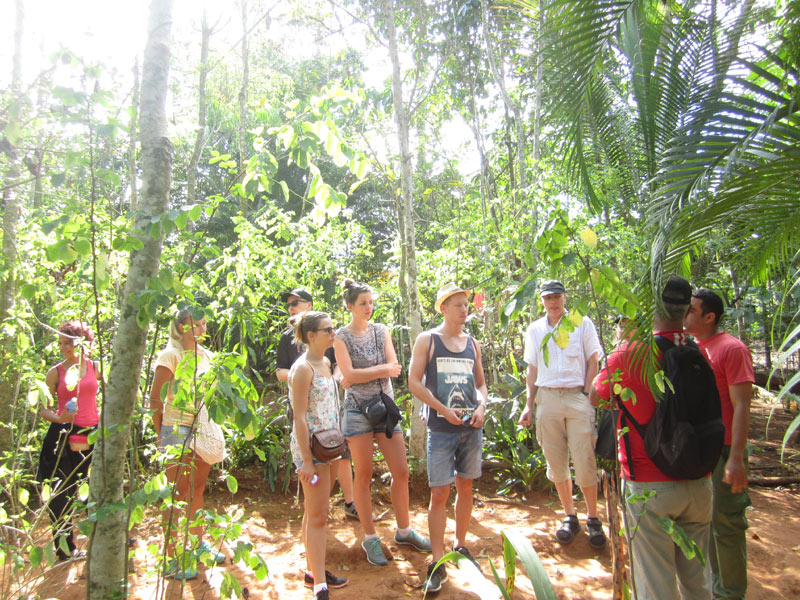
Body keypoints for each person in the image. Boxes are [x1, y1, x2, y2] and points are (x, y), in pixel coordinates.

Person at [591, 275, 713, 599]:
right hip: (700, 482)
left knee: (656, 585)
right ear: (687, 310)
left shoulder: (628, 355)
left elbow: (596, 396)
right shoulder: (701, 354)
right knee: (698, 581)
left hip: (648, 487)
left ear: (649, 307)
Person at [333, 278, 430, 566]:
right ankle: (370, 538)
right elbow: (347, 377)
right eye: (363, 303)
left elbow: (395, 368)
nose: (369, 307)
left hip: (385, 409)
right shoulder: (341, 336)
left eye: (371, 302)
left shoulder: (381, 330)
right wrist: (381, 369)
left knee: (401, 472)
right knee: (362, 475)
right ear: (350, 306)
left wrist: (373, 371)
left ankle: (404, 531)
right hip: (356, 412)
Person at [408, 283, 488, 593]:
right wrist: (442, 409)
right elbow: (414, 382)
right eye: (457, 305)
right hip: (441, 429)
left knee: (466, 486)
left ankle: (461, 546)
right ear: (443, 308)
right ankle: (438, 561)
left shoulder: (472, 344)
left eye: (466, 305)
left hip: (470, 428)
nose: (464, 309)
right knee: (439, 493)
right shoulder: (427, 340)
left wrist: (481, 406)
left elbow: (482, 385)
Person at [518, 280, 606, 548]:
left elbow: (594, 360)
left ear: (565, 297)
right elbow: (531, 369)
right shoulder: (534, 330)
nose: (553, 302)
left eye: (557, 296)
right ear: (542, 301)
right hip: (547, 398)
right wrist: (529, 404)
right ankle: (570, 515)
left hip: (577, 397)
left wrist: (586, 393)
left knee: (584, 458)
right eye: (548, 298)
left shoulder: (582, 322)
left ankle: (593, 517)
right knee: (555, 461)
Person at [684, 288, 754, 600]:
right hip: (699, 452)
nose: (685, 314)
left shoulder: (732, 349)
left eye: (691, 310)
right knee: (705, 522)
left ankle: (731, 593)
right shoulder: (691, 347)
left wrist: (736, 459)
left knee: (727, 524)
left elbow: (742, 406)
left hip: (725, 450)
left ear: (709, 317)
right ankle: (715, 587)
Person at [149, 308, 225, 580]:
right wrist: (162, 435)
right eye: (197, 324)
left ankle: (196, 544)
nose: (203, 329)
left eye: (205, 324)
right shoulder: (170, 355)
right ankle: (171, 556)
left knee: (197, 488)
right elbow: (155, 401)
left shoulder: (208, 356)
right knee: (176, 492)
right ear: (181, 327)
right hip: (175, 426)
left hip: (202, 425)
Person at [276, 288, 357, 520]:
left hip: (330, 432)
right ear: (310, 335)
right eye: (289, 303)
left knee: (320, 508)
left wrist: (334, 377)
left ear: (309, 305)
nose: (291, 306)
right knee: (317, 513)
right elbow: (280, 371)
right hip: (310, 436)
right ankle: (314, 552)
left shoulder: (325, 349)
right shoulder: (299, 359)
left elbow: (336, 365)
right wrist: (303, 378)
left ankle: (350, 502)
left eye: (296, 302)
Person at [289, 311, 350, 600]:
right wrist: (307, 461)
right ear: (311, 335)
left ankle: (313, 571)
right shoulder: (303, 370)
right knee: (319, 516)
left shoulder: (325, 363)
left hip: (329, 448)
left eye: (333, 327)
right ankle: (319, 584)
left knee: (315, 512)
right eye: (328, 329)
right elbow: (299, 418)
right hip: (311, 452)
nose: (333, 332)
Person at [39, 320, 100, 560]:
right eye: (61, 343)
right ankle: (66, 548)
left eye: (68, 343)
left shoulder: (96, 366)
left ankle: (105, 535)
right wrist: (59, 417)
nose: (63, 348)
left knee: (95, 487)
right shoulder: (55, 372)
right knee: (62, 492)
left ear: (82, 343)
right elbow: (42, 409)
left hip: (92, 433)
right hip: (63, 436)